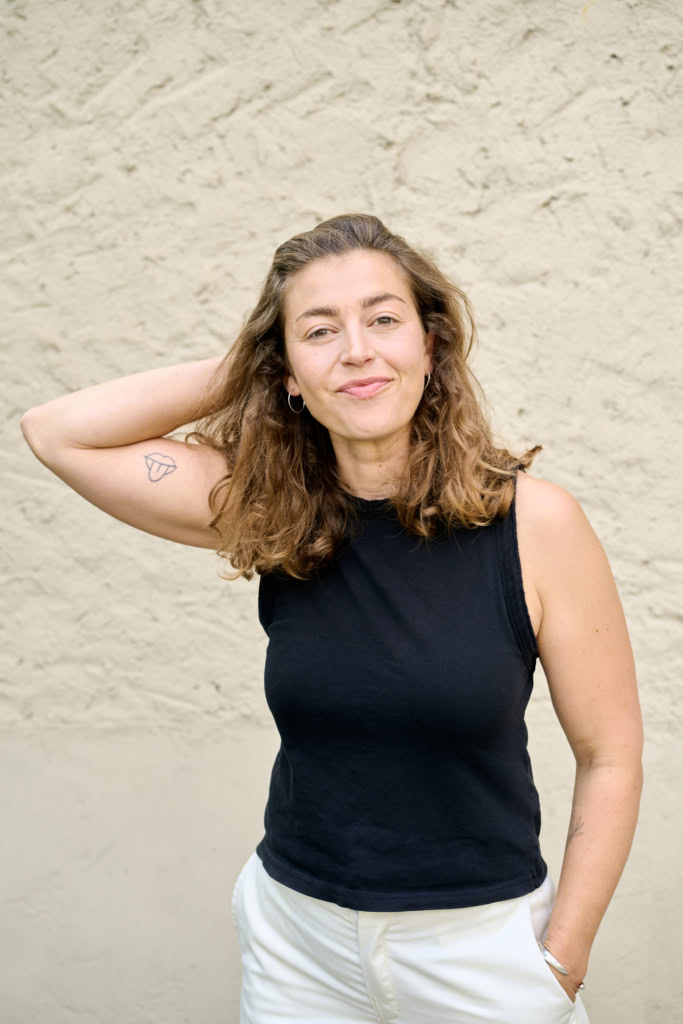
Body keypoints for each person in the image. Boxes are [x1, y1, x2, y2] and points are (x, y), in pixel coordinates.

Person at [21, 213, 643, 1023]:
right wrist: (262, 360)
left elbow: (610, 755)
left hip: (479, 948)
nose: (357, 349)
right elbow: (57, 433)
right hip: (298, 943)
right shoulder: (270, 509)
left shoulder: (533, 524)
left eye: (383, 321)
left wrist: (559, 960)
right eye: (321, 331)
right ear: (283, 371)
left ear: (430, 347)